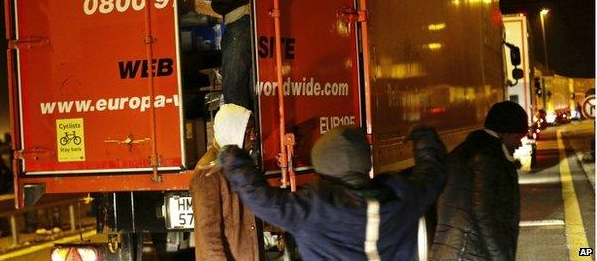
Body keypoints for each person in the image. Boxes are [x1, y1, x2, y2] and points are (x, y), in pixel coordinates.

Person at [218, 124, 447, 260]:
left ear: (323, 167)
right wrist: (425, 140)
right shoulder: (402, 196)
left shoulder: (313, 209)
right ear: (364, 162)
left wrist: (234, 160)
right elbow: (433, 174)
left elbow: (261, 199)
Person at [430, 101, 528, 261]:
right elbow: (485, 215)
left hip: (453, 252)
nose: (519, 144)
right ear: (503, 133)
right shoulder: (489, 159)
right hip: (469, 253)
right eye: (517, 137)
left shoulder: (466, 151)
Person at [190, 104, 260, 260]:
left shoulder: (238, 165)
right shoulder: (208, 174)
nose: (254, 137)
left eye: (254, 131)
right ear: (233, 131)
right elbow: (208, 237)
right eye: (248, 131)